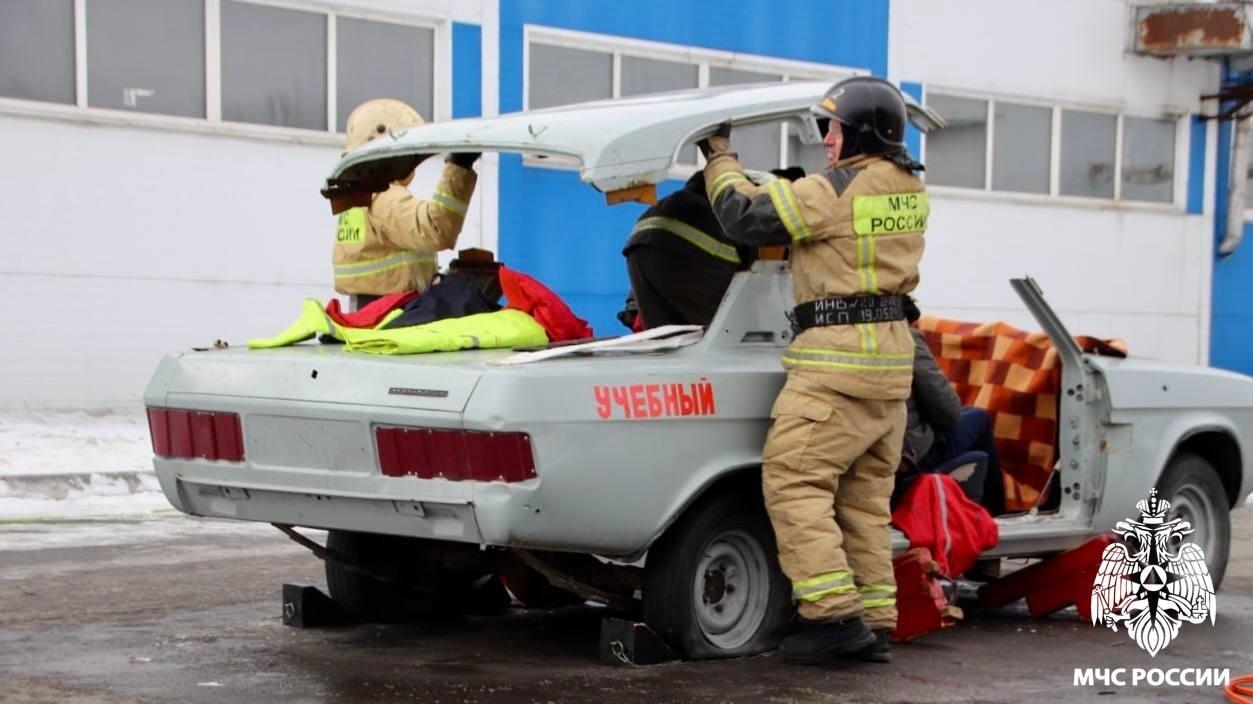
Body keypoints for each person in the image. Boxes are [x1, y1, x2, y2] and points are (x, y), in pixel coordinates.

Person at [698, 76, 927, 664]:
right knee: (863, 503)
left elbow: (743, 216)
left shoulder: (835, 189)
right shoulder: (907, 188)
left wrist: (718, 156)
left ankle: (832, 619)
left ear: (862, 133)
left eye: (835, 128)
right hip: (889, 367)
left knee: (793, 481)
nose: (826, 139)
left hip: (836, 366)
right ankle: (874, 622)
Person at [332, 99, 480, 310]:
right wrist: (460, 165)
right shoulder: (384, 197)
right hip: (394, 315)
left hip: (372, 312)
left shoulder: (359, 198)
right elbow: (436, 229)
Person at [900, 297, 1007, 516]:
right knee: (979, 418)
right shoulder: (906, 339)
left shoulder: (840, 340)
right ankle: (995, 513)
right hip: (907, 454)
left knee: (970, 415)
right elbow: (947, 411)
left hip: (867, 448)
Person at [620, 171, 751, 329]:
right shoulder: (754, 201)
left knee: (663, 336)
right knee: (733, 326)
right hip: (680, 251)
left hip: (637, 247)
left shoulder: (684, 199)